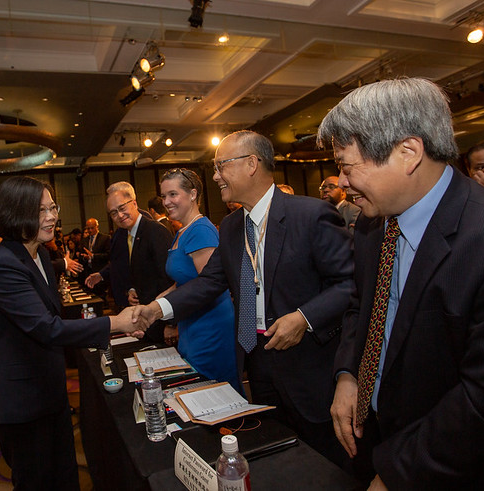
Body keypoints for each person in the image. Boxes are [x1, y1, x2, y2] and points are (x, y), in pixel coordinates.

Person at [319, 78, 484, 489]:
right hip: (378, 436)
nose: (340, 181)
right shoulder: (374, 223)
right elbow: (363, 306)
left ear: (408, 153)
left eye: (346, 165)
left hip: (453, 462)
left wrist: (397, 474)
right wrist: (348, 375)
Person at [133, 130, 354, 466]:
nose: (216, 176)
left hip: (307, 365)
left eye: (221, 166)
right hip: (257, 359)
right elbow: (210, 281)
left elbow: (349, 283)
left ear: (252, 164)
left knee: (325, 461)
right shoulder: (232, 226)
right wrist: (156, 309)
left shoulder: (311, 215)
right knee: (276, 454)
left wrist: (304, 317)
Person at [0, 176, 145, 490]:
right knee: (38, 481)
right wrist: (115, 323)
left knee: (64, 473)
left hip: (48, 386)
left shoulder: (41, 254)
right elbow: (46, 327)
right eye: (41, 210)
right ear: (16, 214)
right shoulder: (3, 265)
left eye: (53, 208)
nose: (52, 217)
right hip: (21, 399)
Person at [158, 168, 240, 390]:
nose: (166, 202)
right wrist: (155, 305)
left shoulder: (200, 230)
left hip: (210, 325)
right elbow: (184, 281)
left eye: (173, 194)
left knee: (212, 390)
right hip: (191, 323)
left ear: (193, 194)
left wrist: (162, 310)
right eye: (164, 196)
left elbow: (208, 286)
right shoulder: (182, 231)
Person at [86, 182, 174, 343]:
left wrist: (171, 324)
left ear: (134, 203)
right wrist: (133, 289)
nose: (119, 215)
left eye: (122, 208)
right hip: (145, 319)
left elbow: (168, 280)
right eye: (113, 213)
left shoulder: (155, 231)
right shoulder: (128, 233)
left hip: (161, 320)